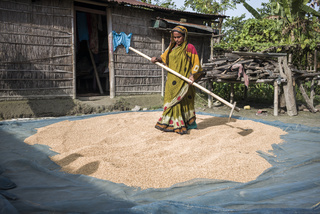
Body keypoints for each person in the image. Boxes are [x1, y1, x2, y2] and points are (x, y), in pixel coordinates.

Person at [151, 25, 203, 135]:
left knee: (185, 102)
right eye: (174, 37)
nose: (176, 39)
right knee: (171, 101)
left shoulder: (189, 48)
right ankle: (171, 123)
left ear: (184, 36)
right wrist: (157, 59)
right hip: (171, 81)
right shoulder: (171, 47)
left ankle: (189, 124)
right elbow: (164, 57)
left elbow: (196, 63)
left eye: (179, 37)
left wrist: (192, 75)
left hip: (184, 81)